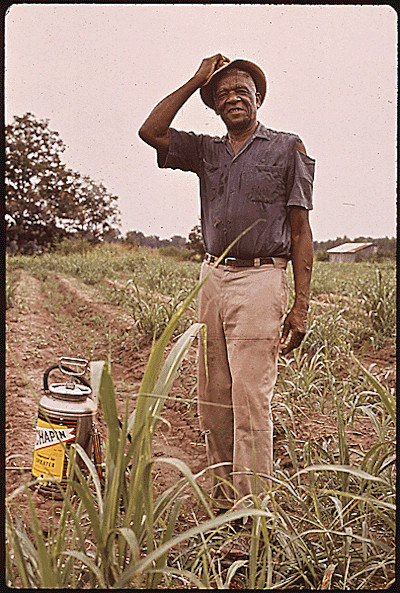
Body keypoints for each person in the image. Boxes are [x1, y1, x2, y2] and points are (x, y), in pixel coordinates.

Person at [138, 54, 315, 512]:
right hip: (212, 276)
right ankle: (223, 499)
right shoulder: (207, 151)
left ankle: (253, 510)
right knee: (215, 394)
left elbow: (300, 231)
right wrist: (197, 79)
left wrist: (301, 305)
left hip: (261, 276)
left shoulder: (286, 147)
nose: (233, 98)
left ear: (258, 97)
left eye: (242, 91)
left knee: (251, 396)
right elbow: (151, 132)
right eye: (222, 95)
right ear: (214, 107)